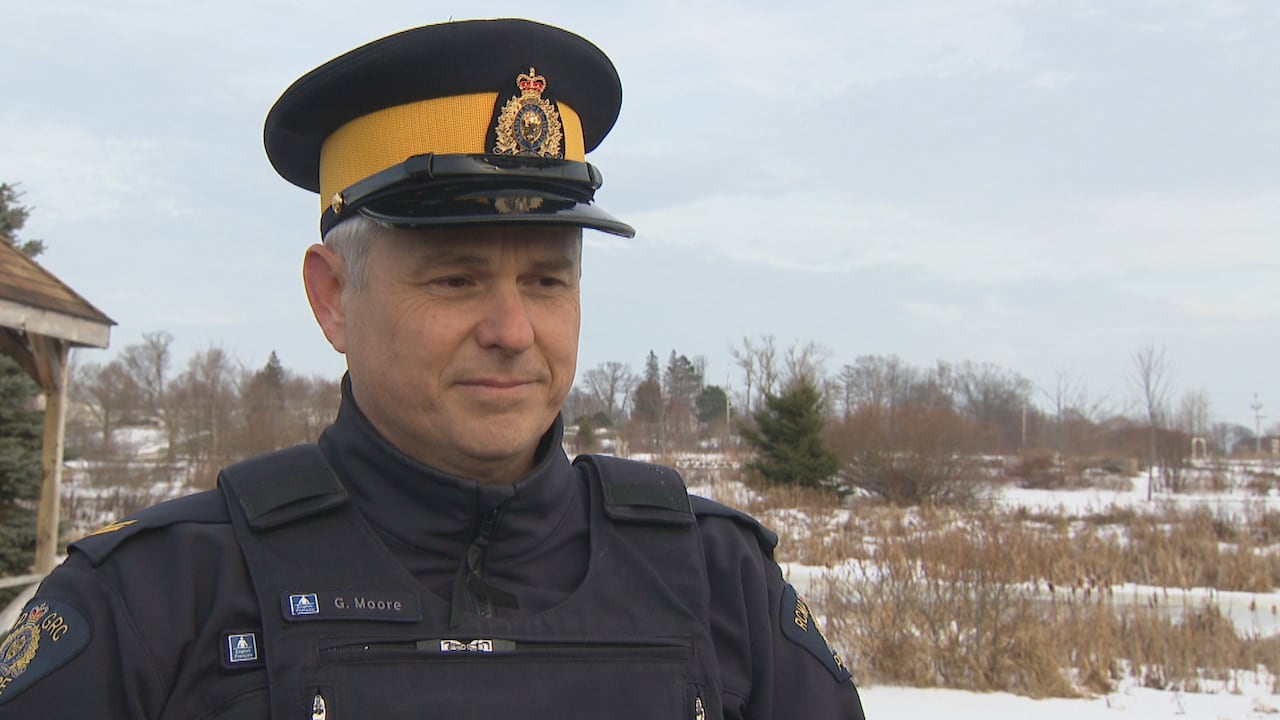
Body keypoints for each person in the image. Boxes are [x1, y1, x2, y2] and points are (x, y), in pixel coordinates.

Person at [0, 18, 866, 719]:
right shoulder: (157, 604)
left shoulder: (721, 583)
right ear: (333, 297)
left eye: (547, 279)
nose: (513, 329)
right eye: (457, 278)